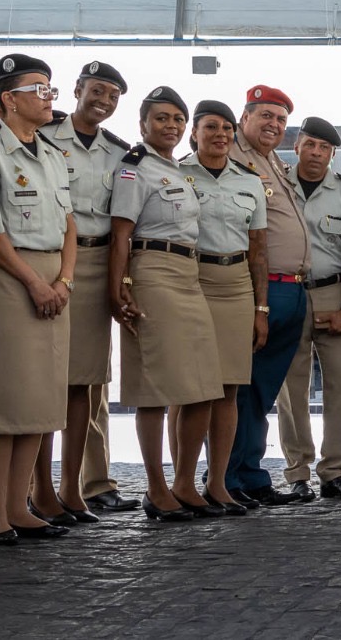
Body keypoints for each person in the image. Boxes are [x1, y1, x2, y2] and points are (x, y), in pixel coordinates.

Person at [108, 86, 223, 522]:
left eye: (177, 119)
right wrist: (119, 285)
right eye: (161, 118)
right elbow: (121, 233)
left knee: (202, 386)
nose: (170, 126)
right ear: (142, 125)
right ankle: (156, 488)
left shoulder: (176, 170)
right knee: (154, 388)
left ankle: (185, 483)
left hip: (189, 275)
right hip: (151, 271)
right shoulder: (135, 169)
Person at [0, 53, 78, 542]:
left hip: (54, 276)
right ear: (8, 99)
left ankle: (20, 506)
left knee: (40, 398)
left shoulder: (53, 155)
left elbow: (70, 224)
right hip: (10, 276)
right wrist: (35, 283)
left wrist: (64, 280)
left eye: (50, 89)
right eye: (39, 89)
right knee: (5, 400)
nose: (48, 98)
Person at [38, 61, 136, 521]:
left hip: (96, 264)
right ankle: (35, 488)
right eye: (97, 89)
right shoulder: (41, 135)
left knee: (87, 381)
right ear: (75, 89)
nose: (104, 100)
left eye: (114, 95)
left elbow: (123, 226)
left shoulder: (119, 154)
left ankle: (74, 487)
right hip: (46, 260)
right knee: (42, 378)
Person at [179, 99, 268, 515]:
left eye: (227, 129)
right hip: (189, 282)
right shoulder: (176, 174)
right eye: (211, 127)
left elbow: (259, 251)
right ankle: (182, 482)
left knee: (230, 388)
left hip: (235, 285)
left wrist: (261, 308)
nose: (220, 135)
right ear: (194, 132)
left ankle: (217, 483)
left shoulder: (249, 182)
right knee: (192, 390)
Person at [225, 85, 311, 507]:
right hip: (255, 288)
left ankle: (252, 474)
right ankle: (226, 477)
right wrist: (257, 301)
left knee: (260, 390)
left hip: (290, 289)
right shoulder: (232, 158)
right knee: (239, 387)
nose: (274, 125)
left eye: (280, 119)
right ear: (245, 118)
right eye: (265, 116)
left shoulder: (275, 162)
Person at [277, 116, 341, 500]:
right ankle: (297, 473)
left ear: (333, 154)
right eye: (311, 144)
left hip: (334, 293)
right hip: (288, 292)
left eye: (325, 148)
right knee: (291, 390)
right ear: (298, 145)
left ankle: (333, 472)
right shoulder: (276, 185)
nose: (316, 153)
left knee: (338, 390)